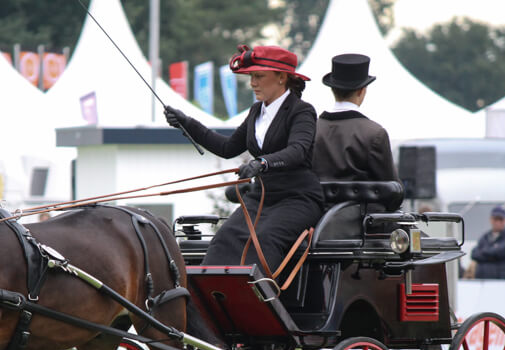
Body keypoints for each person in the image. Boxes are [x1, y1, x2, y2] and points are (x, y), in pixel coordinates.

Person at [164, 44, 323, 271]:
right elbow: (227, 147)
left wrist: (262, 163)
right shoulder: (256, 111)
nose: (253, 83)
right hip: (261, 197)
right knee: (224, 238)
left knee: (264, 240)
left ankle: (258, 292)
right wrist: (187, 123)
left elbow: (298, 150)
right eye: (251, 77)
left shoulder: (302, 111)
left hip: (297, 198)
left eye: (259, 76)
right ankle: (208, 292)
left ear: (281, 77)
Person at [312, 53, 399, 184]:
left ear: (332, 89)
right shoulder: (374, 133)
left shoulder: (311, 129)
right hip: (360, 198)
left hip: (315, 197)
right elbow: (391, 185)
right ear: (361, 91)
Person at [470, 206, 505, 279]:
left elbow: (498, 253)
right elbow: (474, 254)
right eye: (495, 219)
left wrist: (484, 252)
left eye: (500, 219)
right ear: (491, 220)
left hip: (500, 281)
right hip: (481, 281)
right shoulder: (485, 237)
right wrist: (492, 251)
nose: (498, 222)